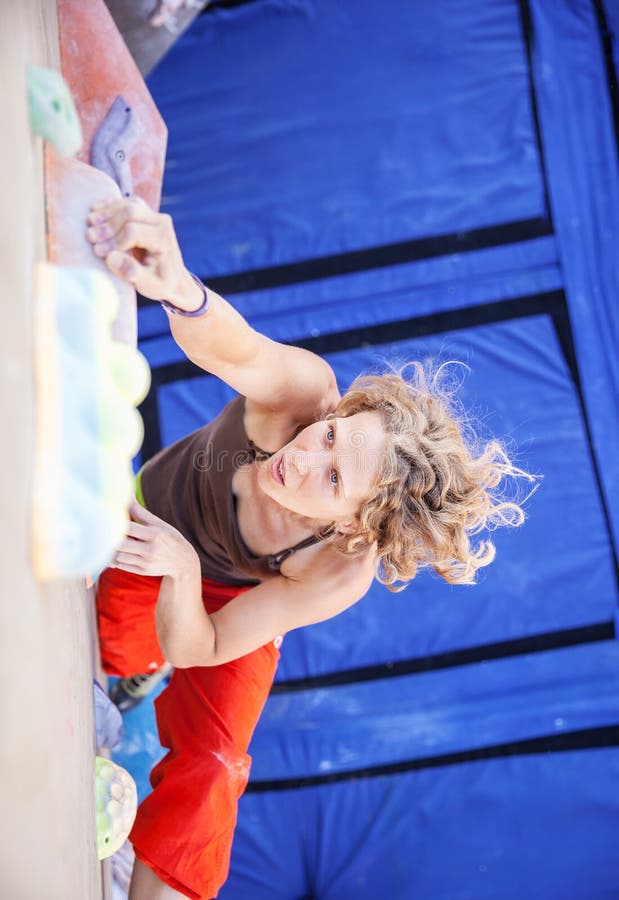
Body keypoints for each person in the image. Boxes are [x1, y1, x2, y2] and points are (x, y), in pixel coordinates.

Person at [87, 196, 532, 899]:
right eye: (329, 438)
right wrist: (179, 287)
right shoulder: (306, 398)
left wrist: (181, 573)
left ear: (354, 525)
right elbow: (228, 345)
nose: (304, 456)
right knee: (110, 650)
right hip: (154, 527)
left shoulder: (337, 572)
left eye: (332, 479)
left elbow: (201, 647)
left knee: (216, 763)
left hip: (230, 598)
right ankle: (131, 670)